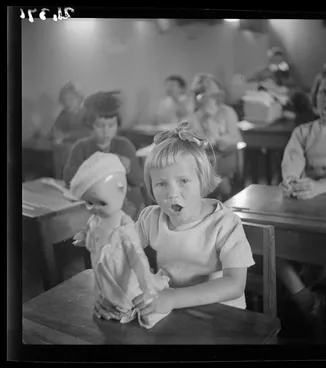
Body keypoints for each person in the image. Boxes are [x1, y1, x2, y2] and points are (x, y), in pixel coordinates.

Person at [93, 122, 255, 320]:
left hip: (222, 319)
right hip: (173, 314)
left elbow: (235, 284)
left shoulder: (225, 224)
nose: (172, 193)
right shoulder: (149, 218)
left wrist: (174, 297)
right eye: (161, 183)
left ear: (202, 180)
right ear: (151, 188)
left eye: (183, 181)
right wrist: (111, 293)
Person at [278, 57, 326, 336]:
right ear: (315, 96)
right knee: (275, 248)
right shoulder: (303, 132)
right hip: (306, 209)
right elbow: (291, 163)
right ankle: (305, 299)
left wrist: (324, 185)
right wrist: (292, 182)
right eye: (324, 92)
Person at [70, 152, 171, 328]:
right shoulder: (95, 220)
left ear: (121, 190)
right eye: (89, 203)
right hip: (104, 275)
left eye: (102, 203)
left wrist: (147, 287)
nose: (95, 209)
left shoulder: (124, 229)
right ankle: (109, 304)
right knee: (106, 294)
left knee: (126, 298)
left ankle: (125, 307)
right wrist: (83, 236)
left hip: (124, 280)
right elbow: (89, 229)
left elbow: (138, 260)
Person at [63, 91, 145, 220]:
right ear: (91, 125)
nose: (106, 131)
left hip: (125, 210)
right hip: (92, 209)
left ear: (118, 125)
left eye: (111, 125)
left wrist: (128, 168)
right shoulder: (81, 147)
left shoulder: (124, 146)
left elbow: (138, 180)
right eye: (100, 125)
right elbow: (68, 179)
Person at [187, 73, 243, 200]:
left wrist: (216, 138)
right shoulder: (196, 116)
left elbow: (236, 141)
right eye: (199, 95)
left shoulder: (227, 113)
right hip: (201, 163)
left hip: (224, 161)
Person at [50, 82, 91, 179]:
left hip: (80, 151)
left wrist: (67, 135)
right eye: (65, 100)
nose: (67, 102)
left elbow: (89, 133)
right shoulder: (63, 114)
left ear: (78, 99)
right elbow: (55, 128)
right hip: (62, 152)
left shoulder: (85, 114)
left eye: (71, 99)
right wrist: (55, 134)